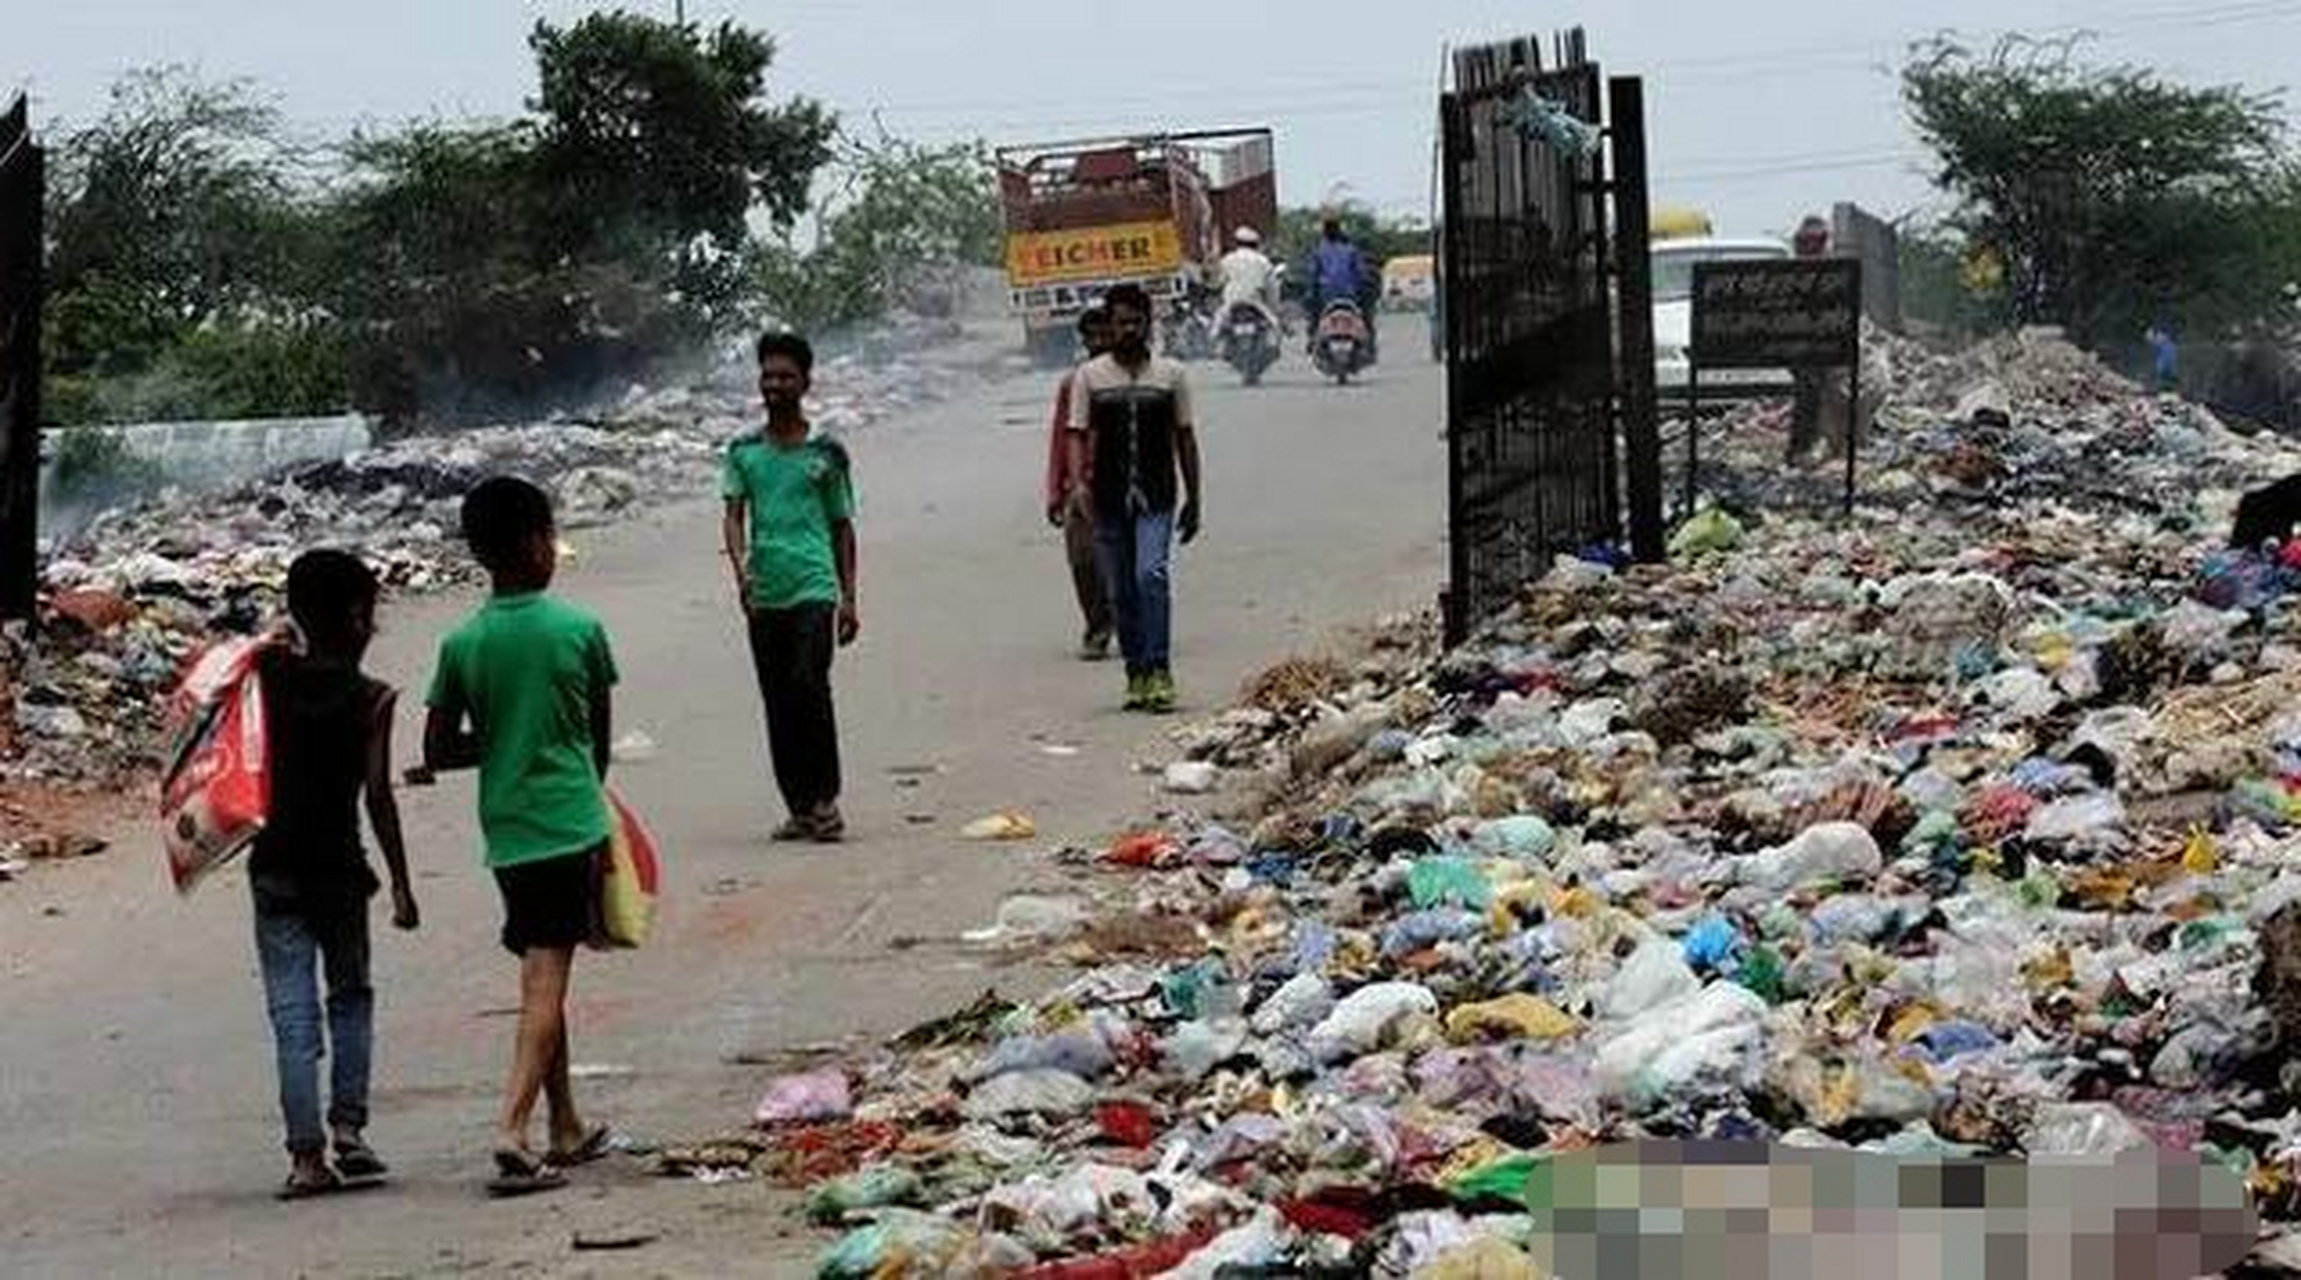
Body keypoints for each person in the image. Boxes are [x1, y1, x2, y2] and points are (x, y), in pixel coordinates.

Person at [417, 476, 618, 1197]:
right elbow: (595, 741)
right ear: (538, 542)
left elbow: (440, 748)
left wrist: (496, 741)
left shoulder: (462, 643)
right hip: (568, 819)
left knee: (541, 969)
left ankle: (565, 1123)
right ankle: (512, 1129)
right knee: (545, 978)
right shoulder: (579, 631)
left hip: (505, 830)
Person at [247, 549, 417, 1200]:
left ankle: (305, 1157)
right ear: (357, 615)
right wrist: (401, 882)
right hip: (340, 869)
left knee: (291, 1014)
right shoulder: (372, 699)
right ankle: (348, 1129)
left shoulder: (267, 677)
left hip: (274, 867)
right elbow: (378, 796)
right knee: (349, 996)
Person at [722, 331, 860, 842]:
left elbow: (843, 526)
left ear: (805, 382)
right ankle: (798, 804)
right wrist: (741, 570)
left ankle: (826, 799)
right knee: (777, 697)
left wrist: (849, 598)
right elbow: (734, 515)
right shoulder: (744, 452)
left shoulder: (826, 453)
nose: (775, 385)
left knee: (809, 684)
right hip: (766, 591)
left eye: (785, 376)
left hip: (814, 585)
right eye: (768, 376)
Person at [1066, 283, 1202, 713]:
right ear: (1110, 326)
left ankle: (1160, 668)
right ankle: (1136, 673)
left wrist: (1195, 497)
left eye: (1137, 321)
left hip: (1157, 495)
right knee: (1120, 590)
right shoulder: (1089, 378)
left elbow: (1184, 437)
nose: (1130, 329)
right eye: (1122, 322)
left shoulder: (1171, 375)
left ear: (1148, 324)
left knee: (1151, 576)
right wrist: (1078, 487)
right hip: (1107, 497)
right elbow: (1075, 435)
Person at [1046, 306, 1115, 660]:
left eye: (1107, 334)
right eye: (1094, 337)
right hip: (1082, 486)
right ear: (1084, 341)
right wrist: (1056, 492)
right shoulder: (1071, 384)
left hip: (1122, 484)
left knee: (1125, 564)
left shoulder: (1131, 379)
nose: (1101, 343)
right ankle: (1097, 626)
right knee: (1084, 562)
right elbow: (1061, 437)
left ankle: (1129, 621)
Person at [1787, 214, 1833, 465]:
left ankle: (1806, 442)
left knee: (1810, 381)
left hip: (1792, 348)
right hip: (1812, 349)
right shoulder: (1833, 274)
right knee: (1811, 381)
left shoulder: (1785, 275)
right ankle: (1804, 444)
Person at [1308, 217, 1379, 361]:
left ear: (1324, 234)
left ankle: (1311, 341)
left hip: (1325, 296)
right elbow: (1361, 274)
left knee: (1313, 315)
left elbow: (1313, 275)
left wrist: (1311, 291)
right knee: (1366, 316)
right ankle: (1370, 344)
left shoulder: (1319, 252)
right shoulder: (1351, 250)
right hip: (1350, 295)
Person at [1215, 226, 1280, 329]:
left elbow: (1218, 283)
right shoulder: (1264, 262)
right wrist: (1273, 310)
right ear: (1256, 244)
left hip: (1231, 304)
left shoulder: (1227, 260)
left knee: (1214, 332)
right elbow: (1272, 290)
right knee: (1275, 329)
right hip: (1256, 304)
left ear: (1237, 243)